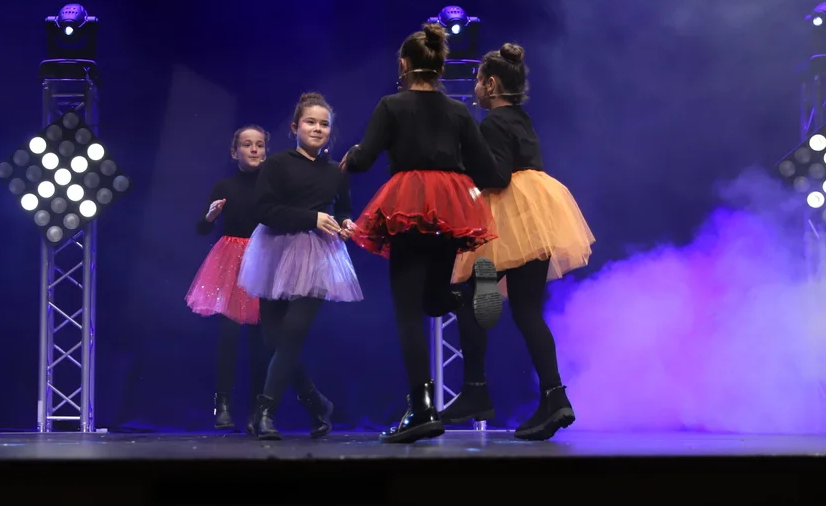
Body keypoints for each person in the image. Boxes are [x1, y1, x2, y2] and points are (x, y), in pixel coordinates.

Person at [342, 23, 505, 444]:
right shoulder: (458, 111)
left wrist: (349, 159)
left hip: (409, 203)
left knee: (408, 311)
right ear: (440, 67)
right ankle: (466, 296)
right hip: (450, 205)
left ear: (403, 65)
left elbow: (365, 158)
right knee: (434, 298)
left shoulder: (392, 105)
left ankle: (422, 408)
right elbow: (488, 170)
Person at [447, 43, 595, 441]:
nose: (476, 88)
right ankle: (555, 396)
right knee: (527, 310)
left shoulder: (492, 123)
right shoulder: (521, 118)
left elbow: (497, 177)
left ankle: (475, 389)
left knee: (465, 293)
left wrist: (468, 172)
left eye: (478, 81)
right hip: (538, 214)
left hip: (510, 218)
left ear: (491, 85)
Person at [237, 92, 363, 440]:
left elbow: (343, 208)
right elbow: (264, 210)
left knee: (292, 333)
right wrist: (311, 217)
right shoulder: (277, 164)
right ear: (295, 127)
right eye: (311, 122)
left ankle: (265, 412)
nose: (318, 128)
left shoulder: (335, 172)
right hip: (274, 250)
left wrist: (346, 222)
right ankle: (316, 403)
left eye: (324, 124)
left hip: (317, 256)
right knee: (273, 339)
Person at [186, 125, 272, 434]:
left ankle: (257, 411)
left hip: (263, 260)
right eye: (247, 144)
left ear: (266, 151)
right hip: (231, 262)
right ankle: (222, 404)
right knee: (229, 336)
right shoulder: (225, 185)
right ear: (235, 152)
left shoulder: (272, 185)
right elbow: (202, 228)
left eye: (259, 144)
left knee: (261, 341)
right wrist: (210, 215)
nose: (254, 149)